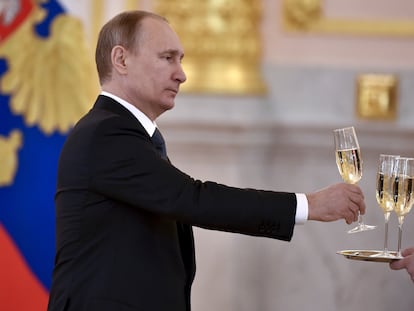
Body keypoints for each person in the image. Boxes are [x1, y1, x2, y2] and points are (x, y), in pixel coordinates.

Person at [47, 10, 366, 311]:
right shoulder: (106, 133)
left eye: (180, 60)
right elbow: (193, 199)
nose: (181, 75)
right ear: (121, 59)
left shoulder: (125, 134)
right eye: (167, 58)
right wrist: (309, 205)